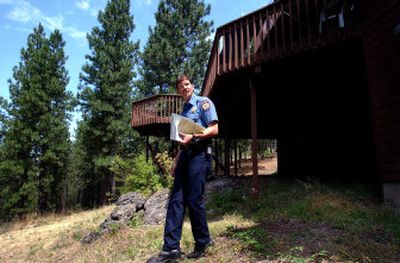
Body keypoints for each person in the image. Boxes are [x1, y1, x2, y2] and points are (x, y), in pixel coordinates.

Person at [147, 75, 218, 262]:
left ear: (192, 86)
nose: (184, 88)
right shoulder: (183, 113)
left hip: (200, 155)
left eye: (187, 84)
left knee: (194, 199)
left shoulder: (204, 103)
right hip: (185, 155)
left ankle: (203, 242)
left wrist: (194, 136)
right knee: (176, 200)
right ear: (178, 91)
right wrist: (177, 160)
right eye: (180, 86)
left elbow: (214, 129)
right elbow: (182, 141)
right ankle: (170, 250)